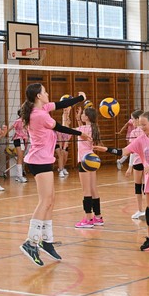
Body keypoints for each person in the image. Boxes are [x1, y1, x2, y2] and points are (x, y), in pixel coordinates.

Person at [18, 84, 90, 266]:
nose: (48, 93)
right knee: (45, 200)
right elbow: (60, 128)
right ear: (38, 96)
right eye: (45, 91)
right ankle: (31, 242)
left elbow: (59, 104)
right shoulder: (39, 115)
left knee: (51, 199)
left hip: (43, 159)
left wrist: (79, 98)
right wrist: (81, 133)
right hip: (38, 160)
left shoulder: (42, 108)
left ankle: (46, 241)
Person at [95, 112, 149, 259]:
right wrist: (106, 149)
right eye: (140, 124)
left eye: (144, 124)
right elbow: (123, 151)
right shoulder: (140, 140)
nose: (141, 127)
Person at [74, 106, 104, 228]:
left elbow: (69, 130)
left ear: (87, 117)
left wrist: (65, 116)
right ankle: (98, 217)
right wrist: (78, 118)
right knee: (93, 189)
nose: (81, 116)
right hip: (92, 160)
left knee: (86, 191)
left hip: (84, 161)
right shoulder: (94, 127)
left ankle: (88, 218)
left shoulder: (82, 129)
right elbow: (83, 129)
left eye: (83, 114)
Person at [125, 110, 146, 219]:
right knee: (147, 186)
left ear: (138, 119)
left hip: (138, 162)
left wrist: (130, 167)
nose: (131, 121)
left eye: (132, 118)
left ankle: (140, 210)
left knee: (138, 186)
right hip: (148, 162)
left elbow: (132, 151)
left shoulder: (134, 133)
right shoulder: (147, 130)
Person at [10, 109, 29, 183]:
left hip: (24, 140)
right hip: (18, 139)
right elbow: (10, 128)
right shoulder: (18, 121)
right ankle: (19, 176)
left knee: (21, 157)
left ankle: (19, 176)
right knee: (20, 157)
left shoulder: (27, 121)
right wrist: (3, 134)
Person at [56, 107, 72, 178]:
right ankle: (61, 171)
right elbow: (59, 139)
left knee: (65, 156)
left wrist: (64, 149)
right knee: (60, 155)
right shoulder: (61, 129)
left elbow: (66, 141)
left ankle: (61, 168)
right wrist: (66, 111)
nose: (68, 120)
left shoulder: (70, 132)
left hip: (64, 145)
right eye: (67, 119)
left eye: (69, 120)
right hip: (57, 143)